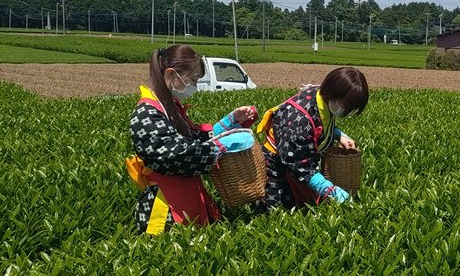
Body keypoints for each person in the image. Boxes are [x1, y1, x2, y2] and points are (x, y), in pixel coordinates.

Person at [126, 45, 258, 234]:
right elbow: (177, 155)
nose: (194, 86)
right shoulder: (147, 113)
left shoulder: (169, 106)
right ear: (172, 75)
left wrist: (229, 123)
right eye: (193, 79)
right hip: (166, 206)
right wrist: (217, 149)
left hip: (185, 193)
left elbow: (193, 137)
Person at [256, 66, 368, 209]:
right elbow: (299, 165)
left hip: (296, 156)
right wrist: (328, 189)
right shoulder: (299, 120)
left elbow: (319, 123)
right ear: (334, 93)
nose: (346, 112)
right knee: (278, 210)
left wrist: (338, 135)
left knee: (302, 204)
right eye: (345, 106)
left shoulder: (323, 96)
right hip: (277, 161)